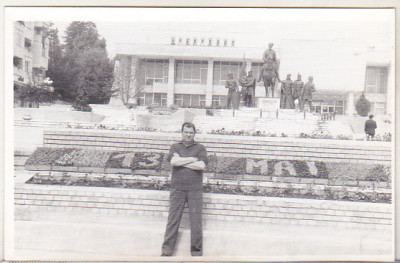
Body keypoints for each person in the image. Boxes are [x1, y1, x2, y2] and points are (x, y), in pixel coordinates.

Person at [161, 122, 208, 257]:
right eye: (186, 132)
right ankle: (166, 252)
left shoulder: (200, 148)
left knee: (196, 222)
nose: (188, 135)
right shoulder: (175, 146)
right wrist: (191, 159)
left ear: (194, 134)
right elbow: (173, 162)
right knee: (173, 220)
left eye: (191, 133)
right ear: (182, 133)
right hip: (177, 189)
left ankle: (196, 253)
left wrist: (182, 161)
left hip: (195, 190)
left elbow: (201, 166)